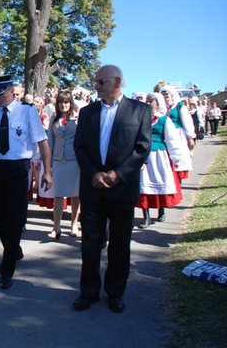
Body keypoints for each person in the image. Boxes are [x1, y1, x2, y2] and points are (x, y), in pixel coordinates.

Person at [72, 64, 151, 313]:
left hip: (122, 189)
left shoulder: (140, 111)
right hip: (93, 187)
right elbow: (80, 147)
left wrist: (118, 174)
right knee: (90, 242)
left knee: (119, 243)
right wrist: (93, 174)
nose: (96, 86)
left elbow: (142, 148)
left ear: (117, 82)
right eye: (96, 82)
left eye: (101, 82)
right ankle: (89, 292)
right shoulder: (87, 113)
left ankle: (115, 292)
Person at [0, 75, 52, 290]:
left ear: (11, 91)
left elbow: (42, 143)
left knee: (15, 219)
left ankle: (6, 270)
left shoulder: (27, 112)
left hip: (18, 169)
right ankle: (13, 248)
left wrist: (48, 172)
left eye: (2, 94)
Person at [136, 93, 188, 228]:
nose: (148, 103)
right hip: (145, 156)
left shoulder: (164, 120)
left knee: (161, 181)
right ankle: (146, 216)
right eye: (147, 101)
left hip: (160, 156)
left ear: (158, 103)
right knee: (143, 185)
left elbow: (172, 140)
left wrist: (178, 159)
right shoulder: (141, 119)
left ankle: (161, 211)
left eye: (151, 101)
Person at [47, 91, 80, 239]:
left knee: (75, 194)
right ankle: (56, 227)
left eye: (66, 102)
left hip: (74, 161)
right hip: (58, 160)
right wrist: (49, 166)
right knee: (58, 194)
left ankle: (74, 224)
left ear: (71, 103)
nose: (63, 105)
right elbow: (50, 142)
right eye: (60, 102)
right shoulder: (53, 119)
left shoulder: (77, 119)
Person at [159, 85, 195, 182]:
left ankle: (178, 182)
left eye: (166, 94)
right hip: (164, 136)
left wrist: (190, 137)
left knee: (178, 159)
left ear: (172, 95)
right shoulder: (160, 108)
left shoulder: (178, 106)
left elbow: (187, 121)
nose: (165, 96)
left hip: (178, 135)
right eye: (162, 94)